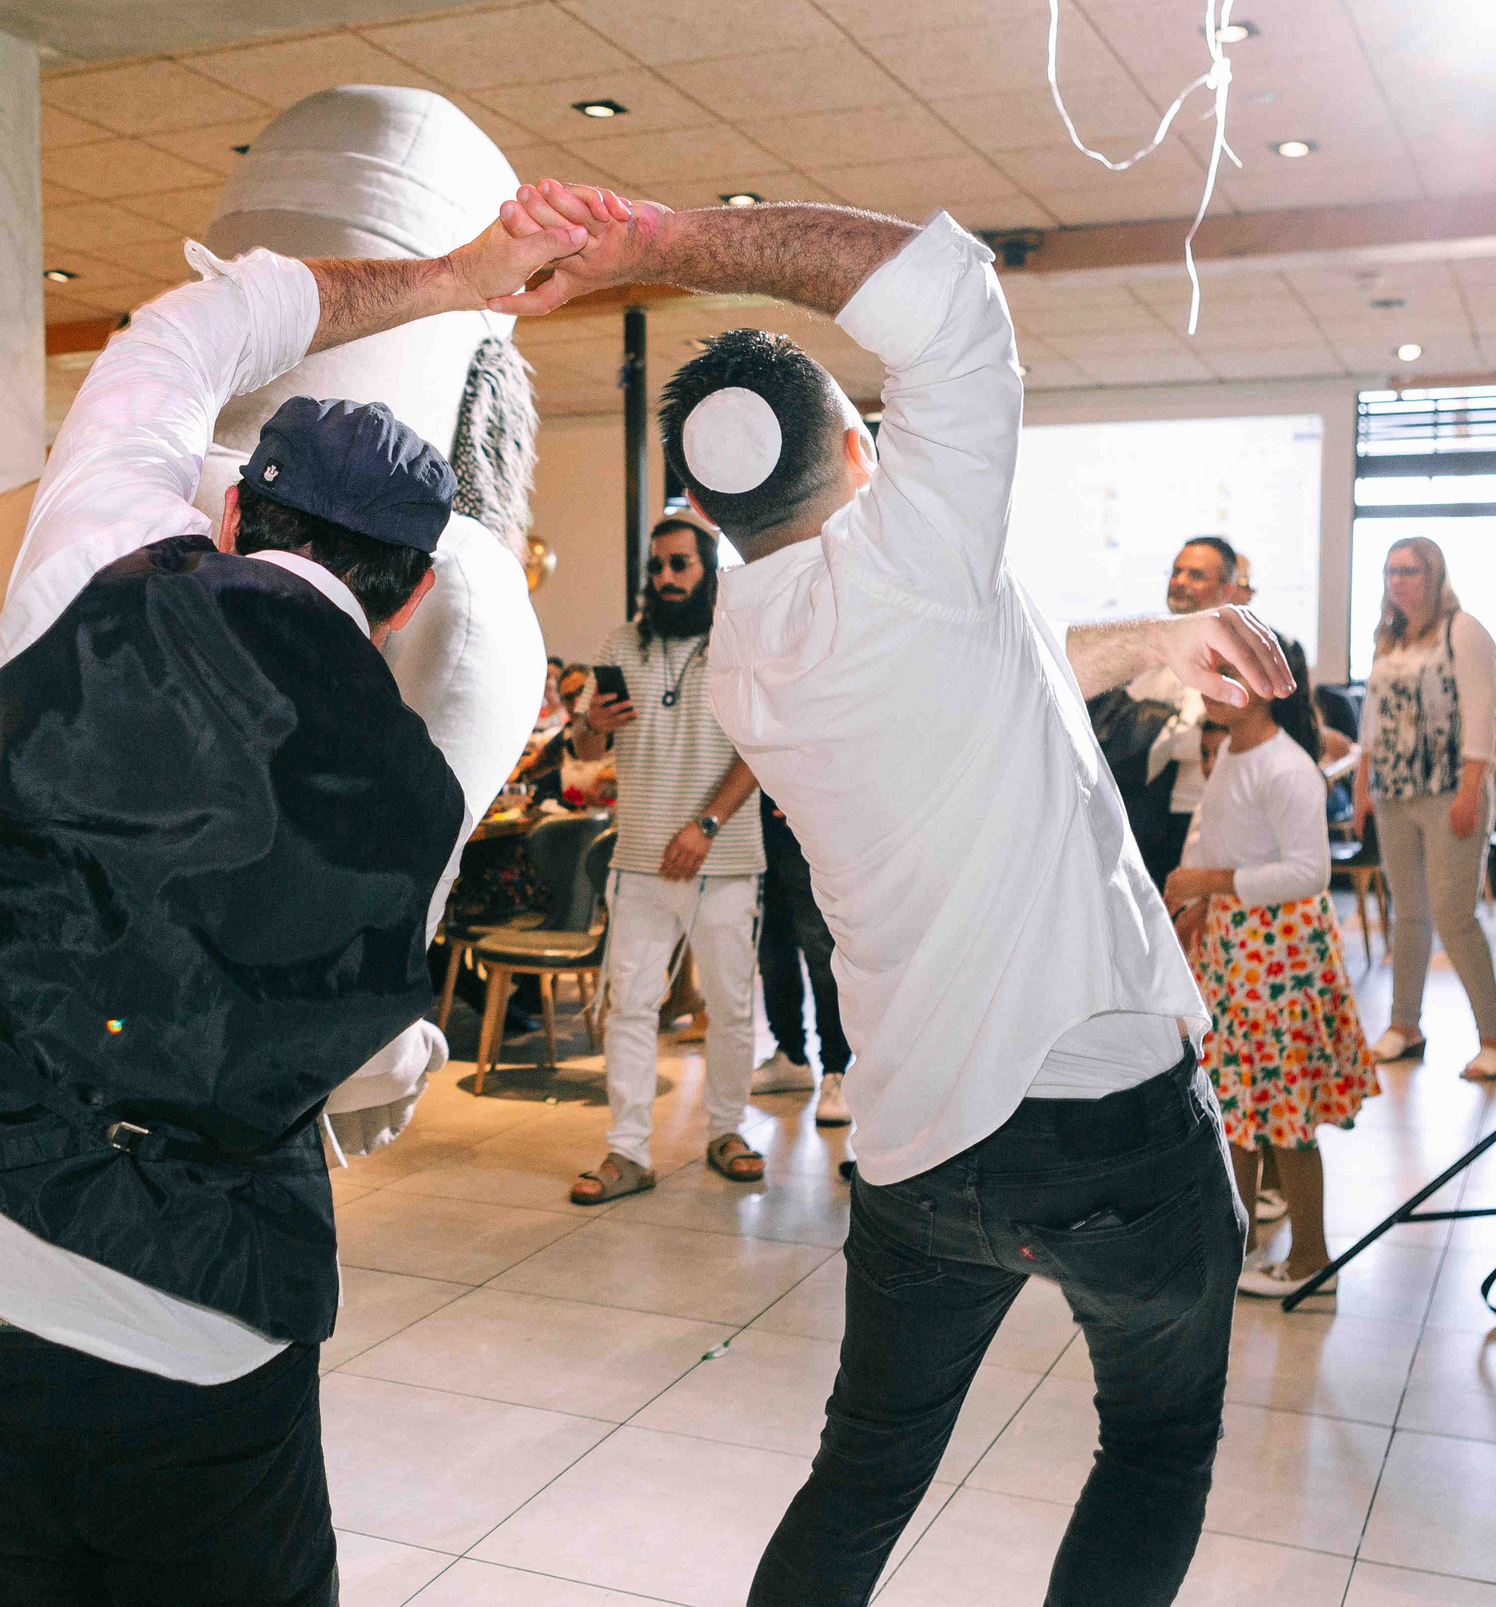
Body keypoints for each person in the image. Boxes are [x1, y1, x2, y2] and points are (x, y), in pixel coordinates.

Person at [490, 179, 1291, 1607]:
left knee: (859, 1482)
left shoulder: (748, 640)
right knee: (1156, 1448)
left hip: (924, 1151)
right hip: (1108, 1123)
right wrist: (668, 241)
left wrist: (1161, 638)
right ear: (861, 447)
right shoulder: (916, 552)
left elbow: (1012, 639)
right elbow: (951, 296)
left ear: (709, 513)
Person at [0, 197, 585, 1607]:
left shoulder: (92, 551)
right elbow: (331, 1052)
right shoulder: (411, 802)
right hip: (187, 1322)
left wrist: (464, 273)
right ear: (411, 596)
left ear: (230, 506)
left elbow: (209, 319)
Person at [1162, 634, 1377, 1297]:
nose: (1210, 679)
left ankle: (1311, 1256)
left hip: (1278, 951)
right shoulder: (1231, 747)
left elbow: (1309, 871)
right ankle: (1243, 1240)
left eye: (1226, 671)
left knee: (1285, 1114)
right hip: (1240, 944)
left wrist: (1209, 879)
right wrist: (1201, 897)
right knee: (1241, 1100)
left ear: (1266, 684)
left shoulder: (1287, 767)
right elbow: (1218, 830)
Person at [564, 516, 768, 1202]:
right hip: (640, 859)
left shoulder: (740, 643)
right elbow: (588, 754)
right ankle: (626, 1151)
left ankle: (728, 1130)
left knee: (733, 1008)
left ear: (709, 570)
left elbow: (761, 748)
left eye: (679, 565)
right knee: (630, 1006)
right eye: (657, 568)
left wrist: (705, 824)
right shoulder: (624, 642)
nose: (665, 579)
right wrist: (594, 724)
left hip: (724, 855)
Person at [1357, 536, 1496, 1081]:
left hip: (1451, 790)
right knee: (1409, 914)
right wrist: (1362, 784)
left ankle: (1494, 1038)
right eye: (1391, 571)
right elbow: (1371, 721)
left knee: (1454, 915)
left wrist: (1472, 788)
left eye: (1410, 571)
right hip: (1394, 793)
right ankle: (1406, 1025)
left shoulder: (1462, 630)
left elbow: (1483, 712)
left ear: (1435, 575)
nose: (1398, 581)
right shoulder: (1388, 637)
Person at [1098, 536, 1240, 887]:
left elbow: (1196, 742)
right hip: (1139, 812)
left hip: (1195, 814)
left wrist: (1153, 729)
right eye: (1177, 572)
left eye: (1196, 575)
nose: (1180, 582)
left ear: (1226, 590)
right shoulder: (1150, 643)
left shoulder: (1232, 653)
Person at [750, 793, 852, 1127]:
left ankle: (836, 1072)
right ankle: (791, 1056)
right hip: (756, 821)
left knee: (822, 952)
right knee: (772, 949)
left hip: (810, 818)